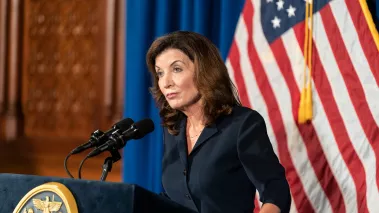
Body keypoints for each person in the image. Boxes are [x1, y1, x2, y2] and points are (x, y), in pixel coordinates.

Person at [146, 31, 291, 213]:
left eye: (176, 69)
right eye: (160, 73)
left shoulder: (242, 125)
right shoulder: (173, 129)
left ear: (204, 71)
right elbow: (176, 197)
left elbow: (275, 190)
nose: (165, 82)